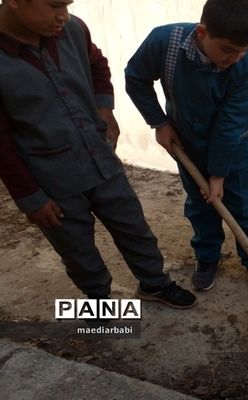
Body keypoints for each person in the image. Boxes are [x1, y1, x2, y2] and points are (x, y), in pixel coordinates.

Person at [0, 0, 196, 308]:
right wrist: (30, 197)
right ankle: (99, 299)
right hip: (52, 181)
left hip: (101, 159)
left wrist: (105, 108)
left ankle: (155, 284)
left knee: (133, 227)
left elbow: (97, 64)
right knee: (76, 248)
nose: (62, 15)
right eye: (54, 5)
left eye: (67, 4)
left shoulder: (72, 29)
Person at [125, 0, 248, 298]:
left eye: (243, 50)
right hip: (187, 143)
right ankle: (207, 258)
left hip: (235, 147)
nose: (234, 58)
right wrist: (159, 122)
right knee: (200, 204)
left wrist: (218, 174)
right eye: (228, 50)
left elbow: (229, 125)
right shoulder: (164, 43)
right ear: (203, 32)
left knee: (243, 207)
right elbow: (135, 78)